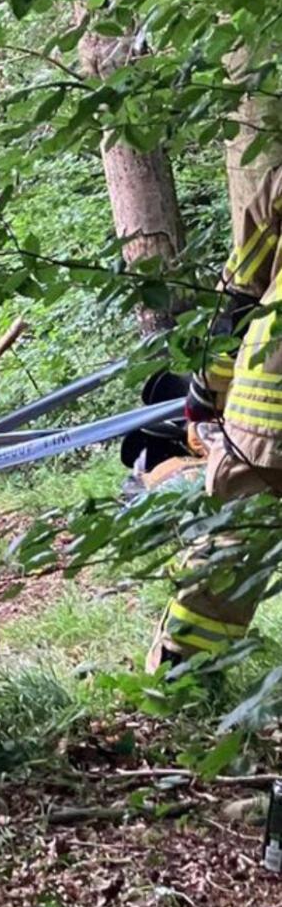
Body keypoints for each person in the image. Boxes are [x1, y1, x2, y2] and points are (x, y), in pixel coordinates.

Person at [147, 165, 282, 670]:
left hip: (266, 410)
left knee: (231, 547)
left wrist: (207, 392)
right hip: (268, 409)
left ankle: (180, 674)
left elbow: (241, 295)